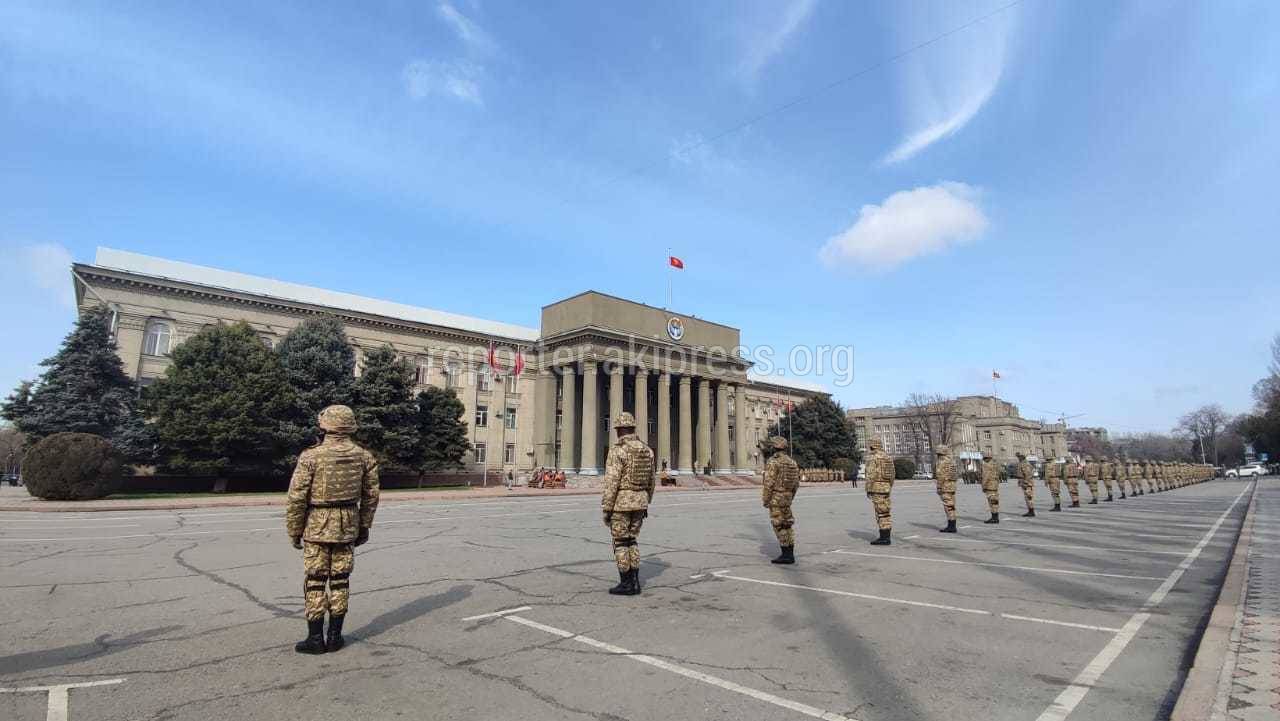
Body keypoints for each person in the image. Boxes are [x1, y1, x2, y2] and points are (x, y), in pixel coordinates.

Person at [286, 405, 380, 655]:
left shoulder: (311, 456)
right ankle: (335, 637)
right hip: (347, 523)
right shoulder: (364, 456)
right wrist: (364, 526)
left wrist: (294, 529)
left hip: (317, 524)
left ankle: (315, 638)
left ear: (325, 425)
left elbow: (297, 496)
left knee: (315, 581)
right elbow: (371, 496)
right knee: (340, 581)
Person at [601, 412, 655, 595]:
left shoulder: (618, 450)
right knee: (633, 540)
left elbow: (611, 482)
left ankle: (626, 583)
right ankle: (635, 582)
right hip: (640, 502)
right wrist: (646, 500)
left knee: (621, 543)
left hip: (621, 503)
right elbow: (651, 481)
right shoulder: (647, 450)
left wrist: (607, 508)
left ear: (620, 429)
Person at [760, 436, 800, 564]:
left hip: (776, 497)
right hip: (787, 497)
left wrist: (766, 499)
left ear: (774, 447)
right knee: (787, 524)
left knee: (779, 525)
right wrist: (790, 496)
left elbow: (769, 483)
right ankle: (790, 553)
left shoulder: (773, 461)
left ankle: (785, 555)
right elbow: (796, 483)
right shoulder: (792, 462)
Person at [865, 438, 895, 545]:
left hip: (876, 487)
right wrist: (889, 486)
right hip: (886, 487)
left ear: (872, 445)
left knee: (880, 512)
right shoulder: (887, 457)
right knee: (886, 512)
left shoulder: (873, 457)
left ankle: (884, 537)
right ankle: (886, 535)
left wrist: (868, 489)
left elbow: (870, 475)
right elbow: (892, 474)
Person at [934, 446, 958, 533]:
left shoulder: (941, 462)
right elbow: (955, 475)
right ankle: (952, 525)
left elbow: (941, 476)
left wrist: (939, 487)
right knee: (952, 506)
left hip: (945, 486)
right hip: (952, 486)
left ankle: (951, 526)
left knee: (948, 506)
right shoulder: (952, 461)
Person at [980, 451, 1000, 523]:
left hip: (989, 486)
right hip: (995, 485)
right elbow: (998, 474)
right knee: (995, 501)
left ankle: (994, 518)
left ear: (986, 458)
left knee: (991, 502)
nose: (983, 460)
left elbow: (985, 476)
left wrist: (983, 486)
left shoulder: (986, 465)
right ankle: (996, 517)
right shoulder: (995, 464)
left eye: (984, 458)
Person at [1016, 452, 1036, 517]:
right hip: (1025, 482)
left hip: (1027, 483)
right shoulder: (1022, 463)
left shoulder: (1025, 464)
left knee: (1029, 497)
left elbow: (1027, 474)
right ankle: (1030, 510)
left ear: (1022, 457)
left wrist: (1026, 482)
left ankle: (1031, 511)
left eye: (1019, 457)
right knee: (1027, 497)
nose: (1018, 458)